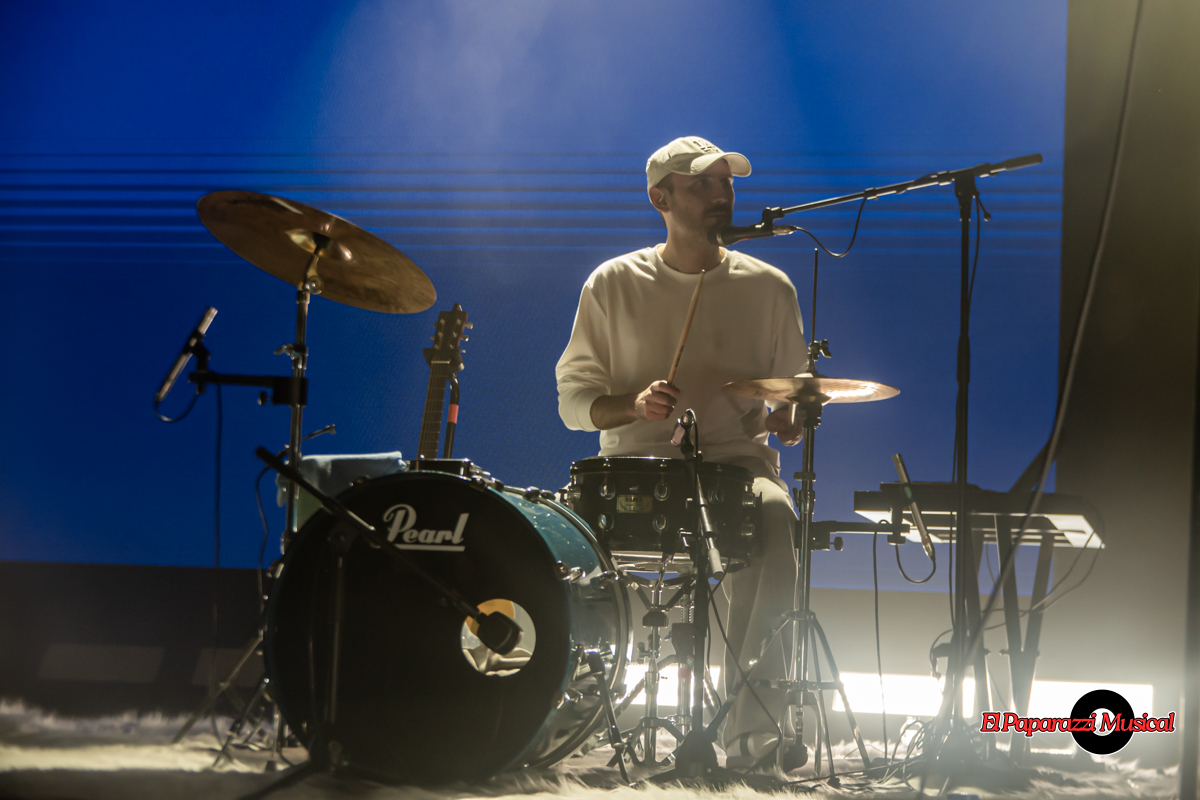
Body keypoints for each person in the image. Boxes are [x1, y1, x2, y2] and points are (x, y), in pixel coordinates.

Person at [555, 136, 809, 771]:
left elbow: (790, 404)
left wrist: (791, 418)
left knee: (776, 514)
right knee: (556, 538)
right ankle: (562, 709)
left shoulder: (771, 287)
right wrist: (633, 405)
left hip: (736, 471)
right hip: (634, 473)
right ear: (659, 199)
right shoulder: (612, 282)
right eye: (701, 184)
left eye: (726, 183)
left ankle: (753, 734)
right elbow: (573, 403)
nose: (720, 194)